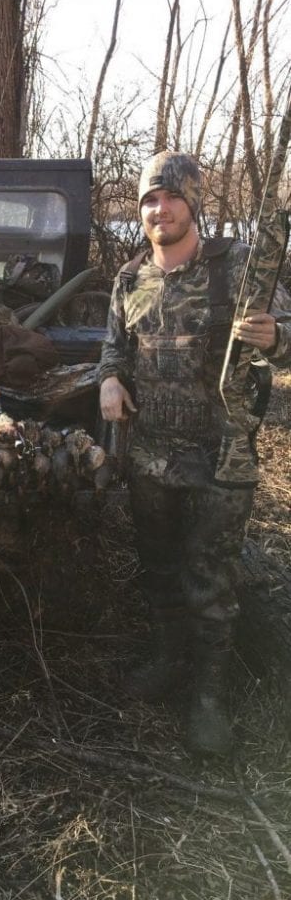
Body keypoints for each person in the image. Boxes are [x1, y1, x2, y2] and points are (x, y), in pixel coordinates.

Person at [99, 150, 291, 757]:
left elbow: (287, 340)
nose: (160, 210)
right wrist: (110, 379)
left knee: (211, 578)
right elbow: (113, 350)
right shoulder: (129, 279)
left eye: (172, 197)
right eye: (150, 200)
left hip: (220, 457)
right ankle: (168, 660)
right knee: (158, 567)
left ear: (194, 203)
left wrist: (277, 337)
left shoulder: (239, 267)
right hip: (151, 457)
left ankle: (208, 697)